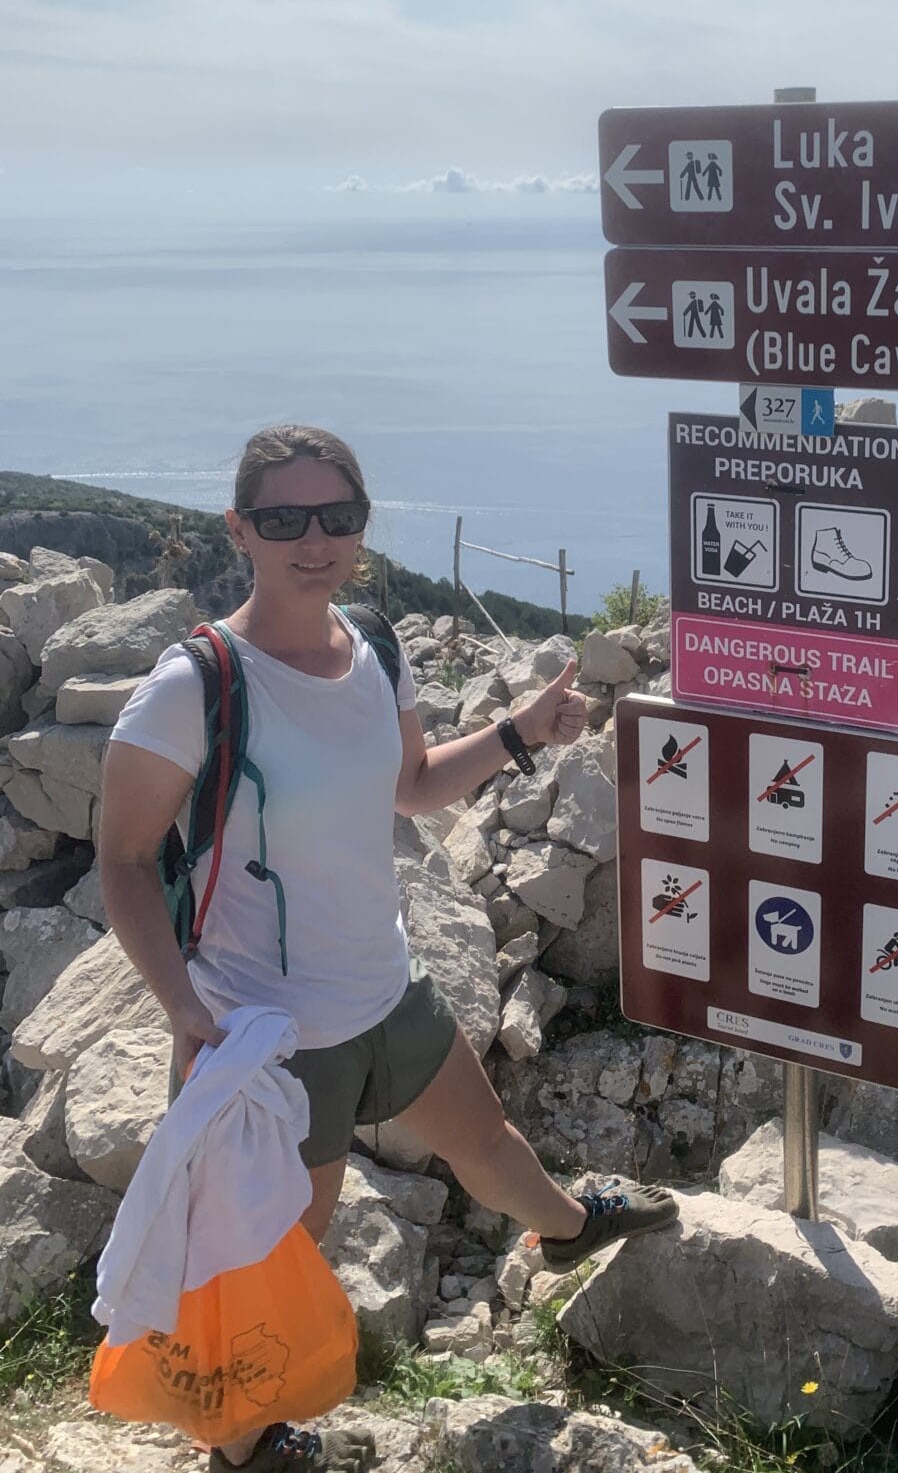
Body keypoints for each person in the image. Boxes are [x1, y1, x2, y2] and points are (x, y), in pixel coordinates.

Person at [100, 425, 675, 1473]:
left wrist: (519, 733)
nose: (312, 540)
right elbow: (125, 859)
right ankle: (241, 1444)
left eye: (337, 516)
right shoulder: (196, 685)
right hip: (271, 1035)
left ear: (363, 528)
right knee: (275, 1253)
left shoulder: (373, 641)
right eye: (283, 519)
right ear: (241, 530)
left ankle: (567, 1228)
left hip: (383, 983)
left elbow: (410, 785)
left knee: (488, 1143)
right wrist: (184, 1009)